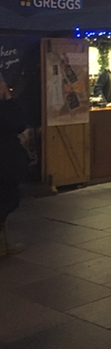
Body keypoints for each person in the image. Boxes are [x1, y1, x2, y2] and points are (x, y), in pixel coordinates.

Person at [0, 76, 28, 257]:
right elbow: (18, 123)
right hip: (5, 160)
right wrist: (8, 100)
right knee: (7, 198)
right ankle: (3, 244)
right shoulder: (5, 107)